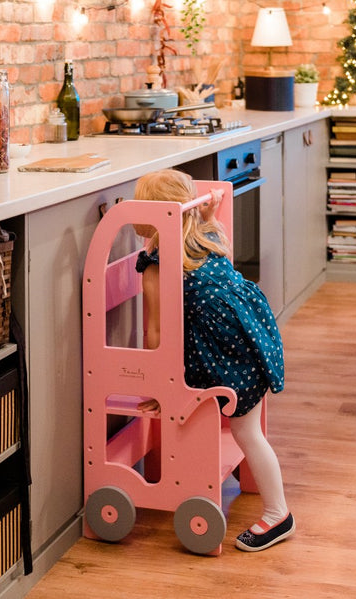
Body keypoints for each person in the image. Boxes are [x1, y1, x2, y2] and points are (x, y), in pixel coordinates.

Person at [132, 169, 293, 552]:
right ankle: (275, 509)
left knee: (247, 434)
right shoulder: (207, 234)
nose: (133, 209)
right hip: (251, 339)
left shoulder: (157, 263)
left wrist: (159, 387)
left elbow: (156, 332)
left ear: (156, 216)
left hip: (226, 355)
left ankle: (278, 514)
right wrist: (207, 213)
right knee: (248, 430)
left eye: (139, 203)